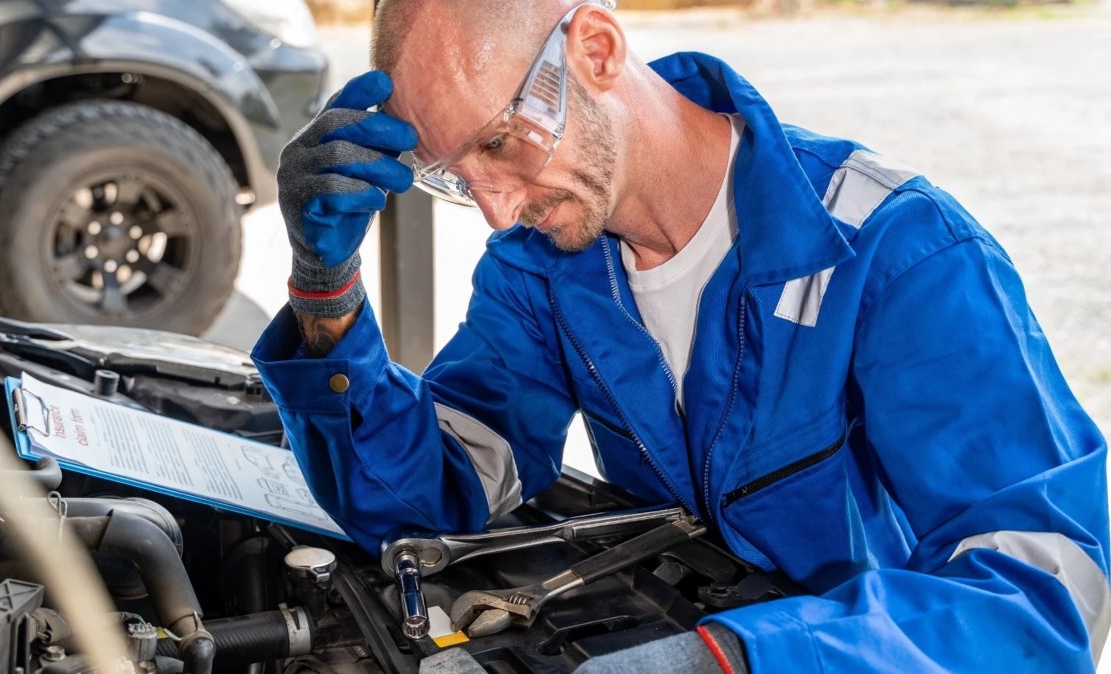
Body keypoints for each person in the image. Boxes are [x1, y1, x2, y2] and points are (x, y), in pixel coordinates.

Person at [252, 0, 1110, 671]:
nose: (496, 210)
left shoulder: (895, 253)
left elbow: (1046, 592)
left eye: (501, 144)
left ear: (595, 51)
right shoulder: (541, 267)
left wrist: (739, 658)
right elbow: (432, 502)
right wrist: (326, 291)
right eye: (454, 176)